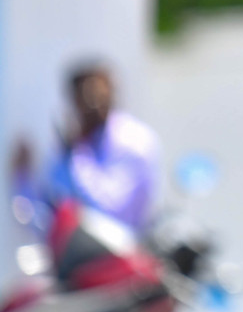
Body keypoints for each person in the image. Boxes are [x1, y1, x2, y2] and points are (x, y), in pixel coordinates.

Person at [9, 61, 160, 237]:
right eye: (84, 97)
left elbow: (113, 217)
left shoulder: (133, 140)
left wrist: (77, 158)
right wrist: (22, 178)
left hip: (121, 260)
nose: (93, 103)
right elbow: (46, 221)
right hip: (76, 261)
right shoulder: (72, 150)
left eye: (98, 94)